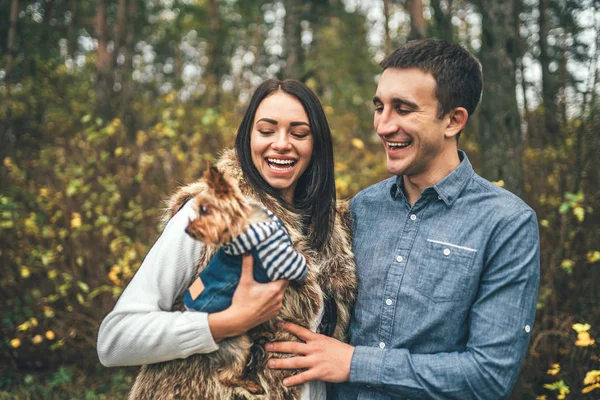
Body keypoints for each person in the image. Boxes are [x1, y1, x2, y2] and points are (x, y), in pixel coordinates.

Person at [266, 39, 540, 399]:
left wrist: (356, 363)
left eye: (403, 109)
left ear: (453, 120)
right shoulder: (361, 209)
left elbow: (489, 375)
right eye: (379, 107)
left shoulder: (506, 223)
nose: (382, 125)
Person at [97, 79, 356, 400]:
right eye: (266, 130)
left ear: (316, 145)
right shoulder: (212, 213)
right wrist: (226, 323)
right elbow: (115, 341)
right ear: (247, 138)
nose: (282, 143)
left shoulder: (333, 233)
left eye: (299, 133)